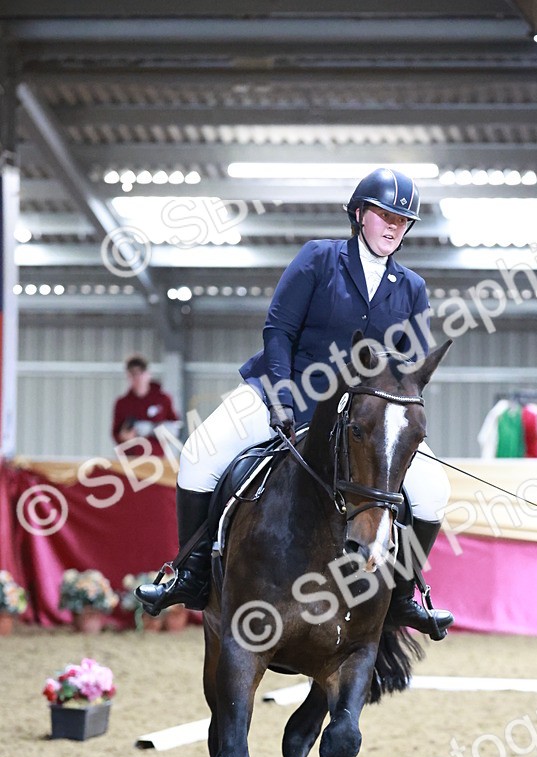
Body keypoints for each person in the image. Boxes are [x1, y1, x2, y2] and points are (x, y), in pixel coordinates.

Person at [138, 167, 453, 639]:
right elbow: (279, 330)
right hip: (286, 391)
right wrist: (282, 396)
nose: (393, 226)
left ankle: (403, 596)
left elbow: (409, 370)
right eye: (385, 214)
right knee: (198, 456)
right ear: (359, 214)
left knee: (433, 492)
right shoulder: (318, 260)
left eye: (402, 220)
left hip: (364, 418)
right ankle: (193, 573)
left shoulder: (411, 288)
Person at [112, 354, 181, 457]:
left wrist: (152, 429)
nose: (138, 378)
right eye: (133, 374)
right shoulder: (122, 403)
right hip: (132, 458)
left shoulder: (163, 400)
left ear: (148, 374)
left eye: (140, 373)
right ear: (129, 376)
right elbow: (116, 433)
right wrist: (125, 436)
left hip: (157, 457)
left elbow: (175, 427)